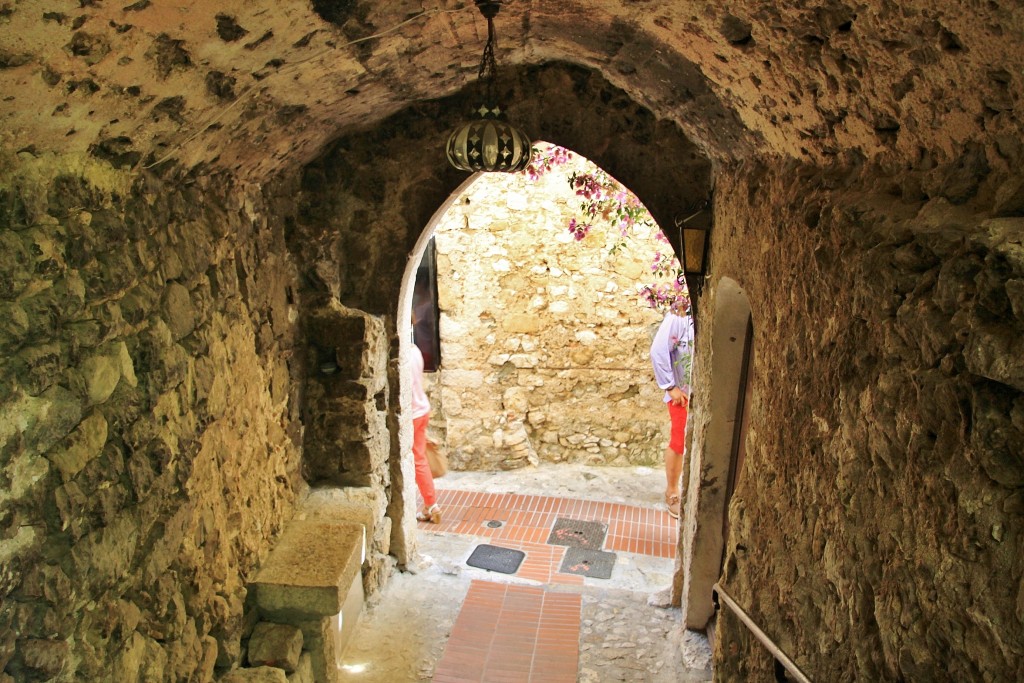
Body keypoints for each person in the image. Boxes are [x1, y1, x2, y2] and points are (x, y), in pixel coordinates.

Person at [650, 304, 694, 519]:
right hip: (682, 395)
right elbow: (658, 350)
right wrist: (670, 386)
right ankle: (672, 491)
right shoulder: (679, 316)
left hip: (702, 391)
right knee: (679, 442)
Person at [409, 340, 442, 523]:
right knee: (419, 459)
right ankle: (431, 505)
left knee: (414, 461)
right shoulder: (415, 351)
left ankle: (431, 505)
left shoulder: (402, 356)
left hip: (412, 414)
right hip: (422, 410)